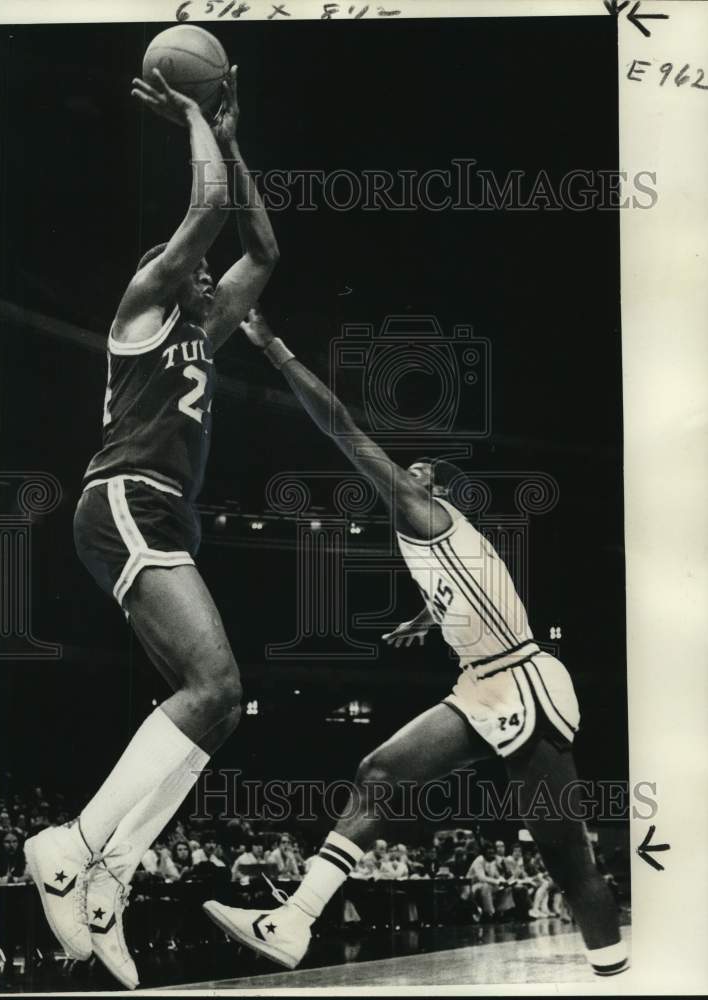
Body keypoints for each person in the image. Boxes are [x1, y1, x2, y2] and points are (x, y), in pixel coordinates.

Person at [202, 310, 628, 979]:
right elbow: (473, 596)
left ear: (432, 491)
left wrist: (275, 348)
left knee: (571, 864)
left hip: (522, 684)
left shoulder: (422, 511)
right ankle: (293, 922)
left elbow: (340, 426)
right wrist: (427, 619)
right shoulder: (438, 543)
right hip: (481, 682)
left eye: (419, 469)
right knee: (378, 775)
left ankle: (619, 977)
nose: (408, 469)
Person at [23, 67, 279, 991]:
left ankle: (110, 879)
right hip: (124, 498)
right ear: (165, 275)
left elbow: (262, 249)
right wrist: (192, 119)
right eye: (190, 267)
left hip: (161, 510)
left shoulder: (203, 335)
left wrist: (235, 136)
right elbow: (208, 211)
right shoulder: (140, 312)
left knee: (220, 706)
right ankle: (72, 844)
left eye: (207, 274)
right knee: (215, 681)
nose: (209, 275)